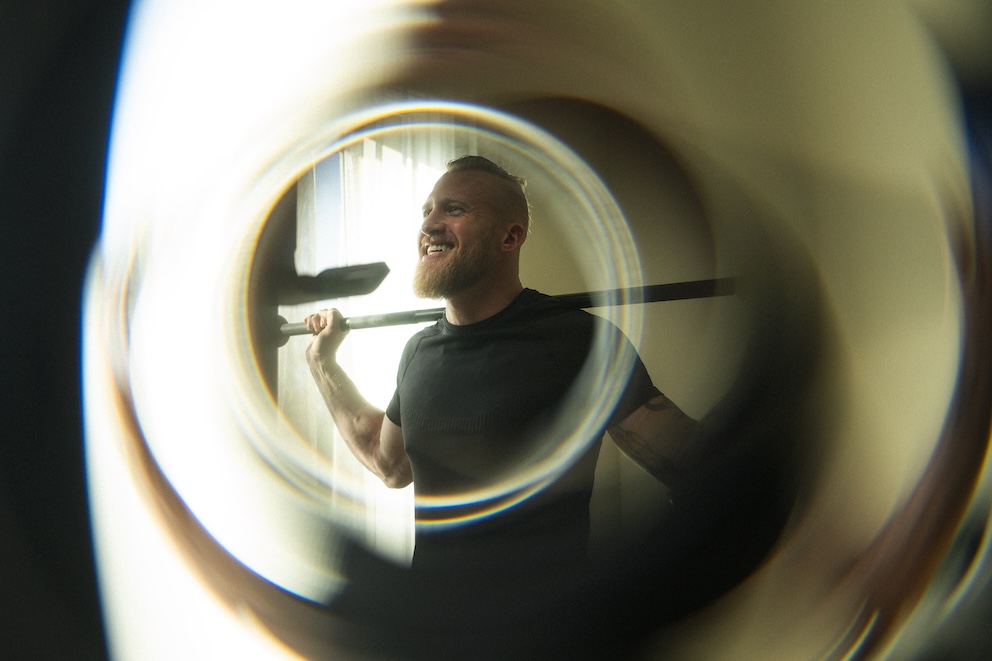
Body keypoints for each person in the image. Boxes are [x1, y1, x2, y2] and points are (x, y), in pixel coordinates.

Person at [303, 156, 701, 655]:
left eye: (453, 209)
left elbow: (692, 463)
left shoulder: (577, 340)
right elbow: (390, 463)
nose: (429, 224)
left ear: (509, 238)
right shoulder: (419, 353)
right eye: (427, 211)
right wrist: (323, 365)